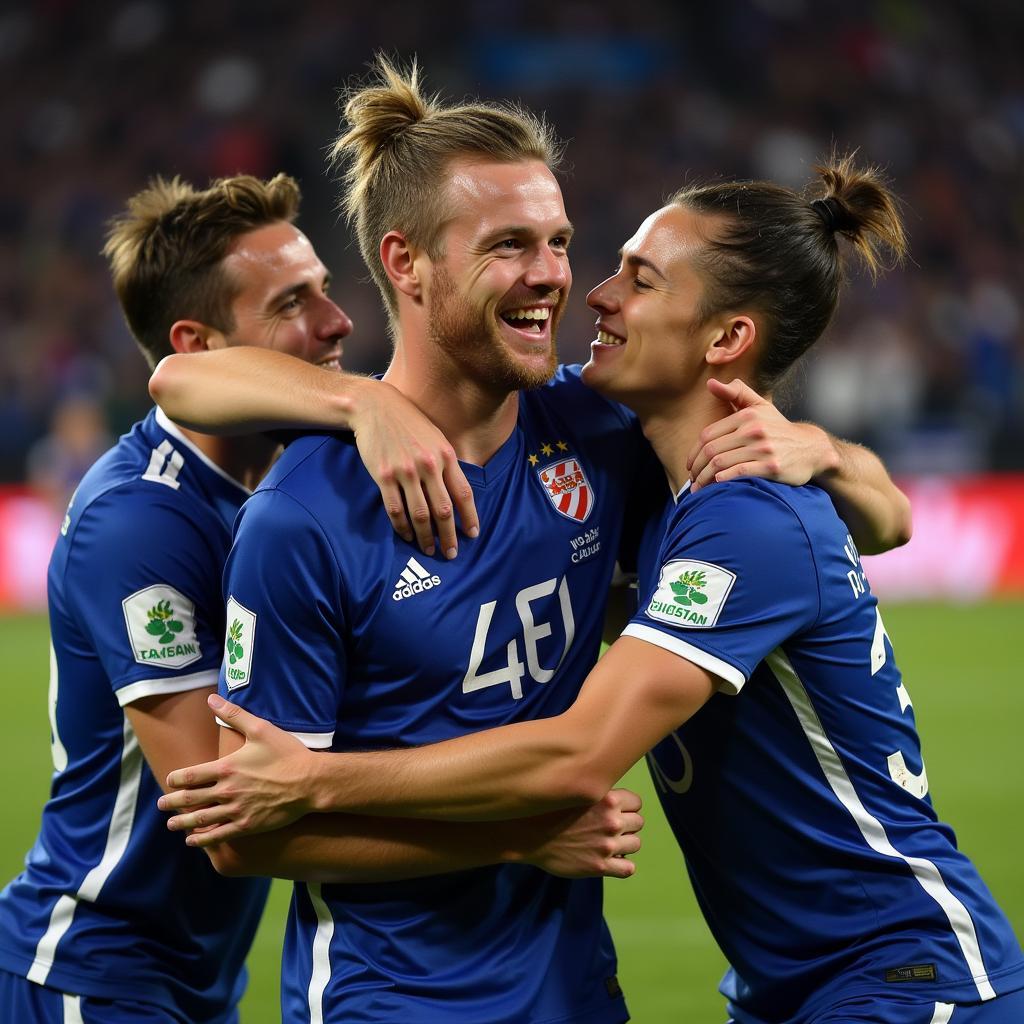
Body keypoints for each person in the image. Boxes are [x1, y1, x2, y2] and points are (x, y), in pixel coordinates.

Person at [165, 156, 1024, 1022]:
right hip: (753, 989)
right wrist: (359, 401)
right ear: (405, 262)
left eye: (633, 277)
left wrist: (316, 781)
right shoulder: (624, 459)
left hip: (896, 977)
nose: (594, 293)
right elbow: (178, 382)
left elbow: (577, 755)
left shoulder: (741, 518)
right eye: (524, 245)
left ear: (725, 338)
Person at [0, 170, 510, 1024]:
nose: (338, 320)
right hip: (93, 970)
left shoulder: (286, 480)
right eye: (291, 303)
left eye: (323, 288)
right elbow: (229, 809)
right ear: (198, 345)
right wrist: (515, 830)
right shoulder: (141, 521)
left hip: (194, 981)